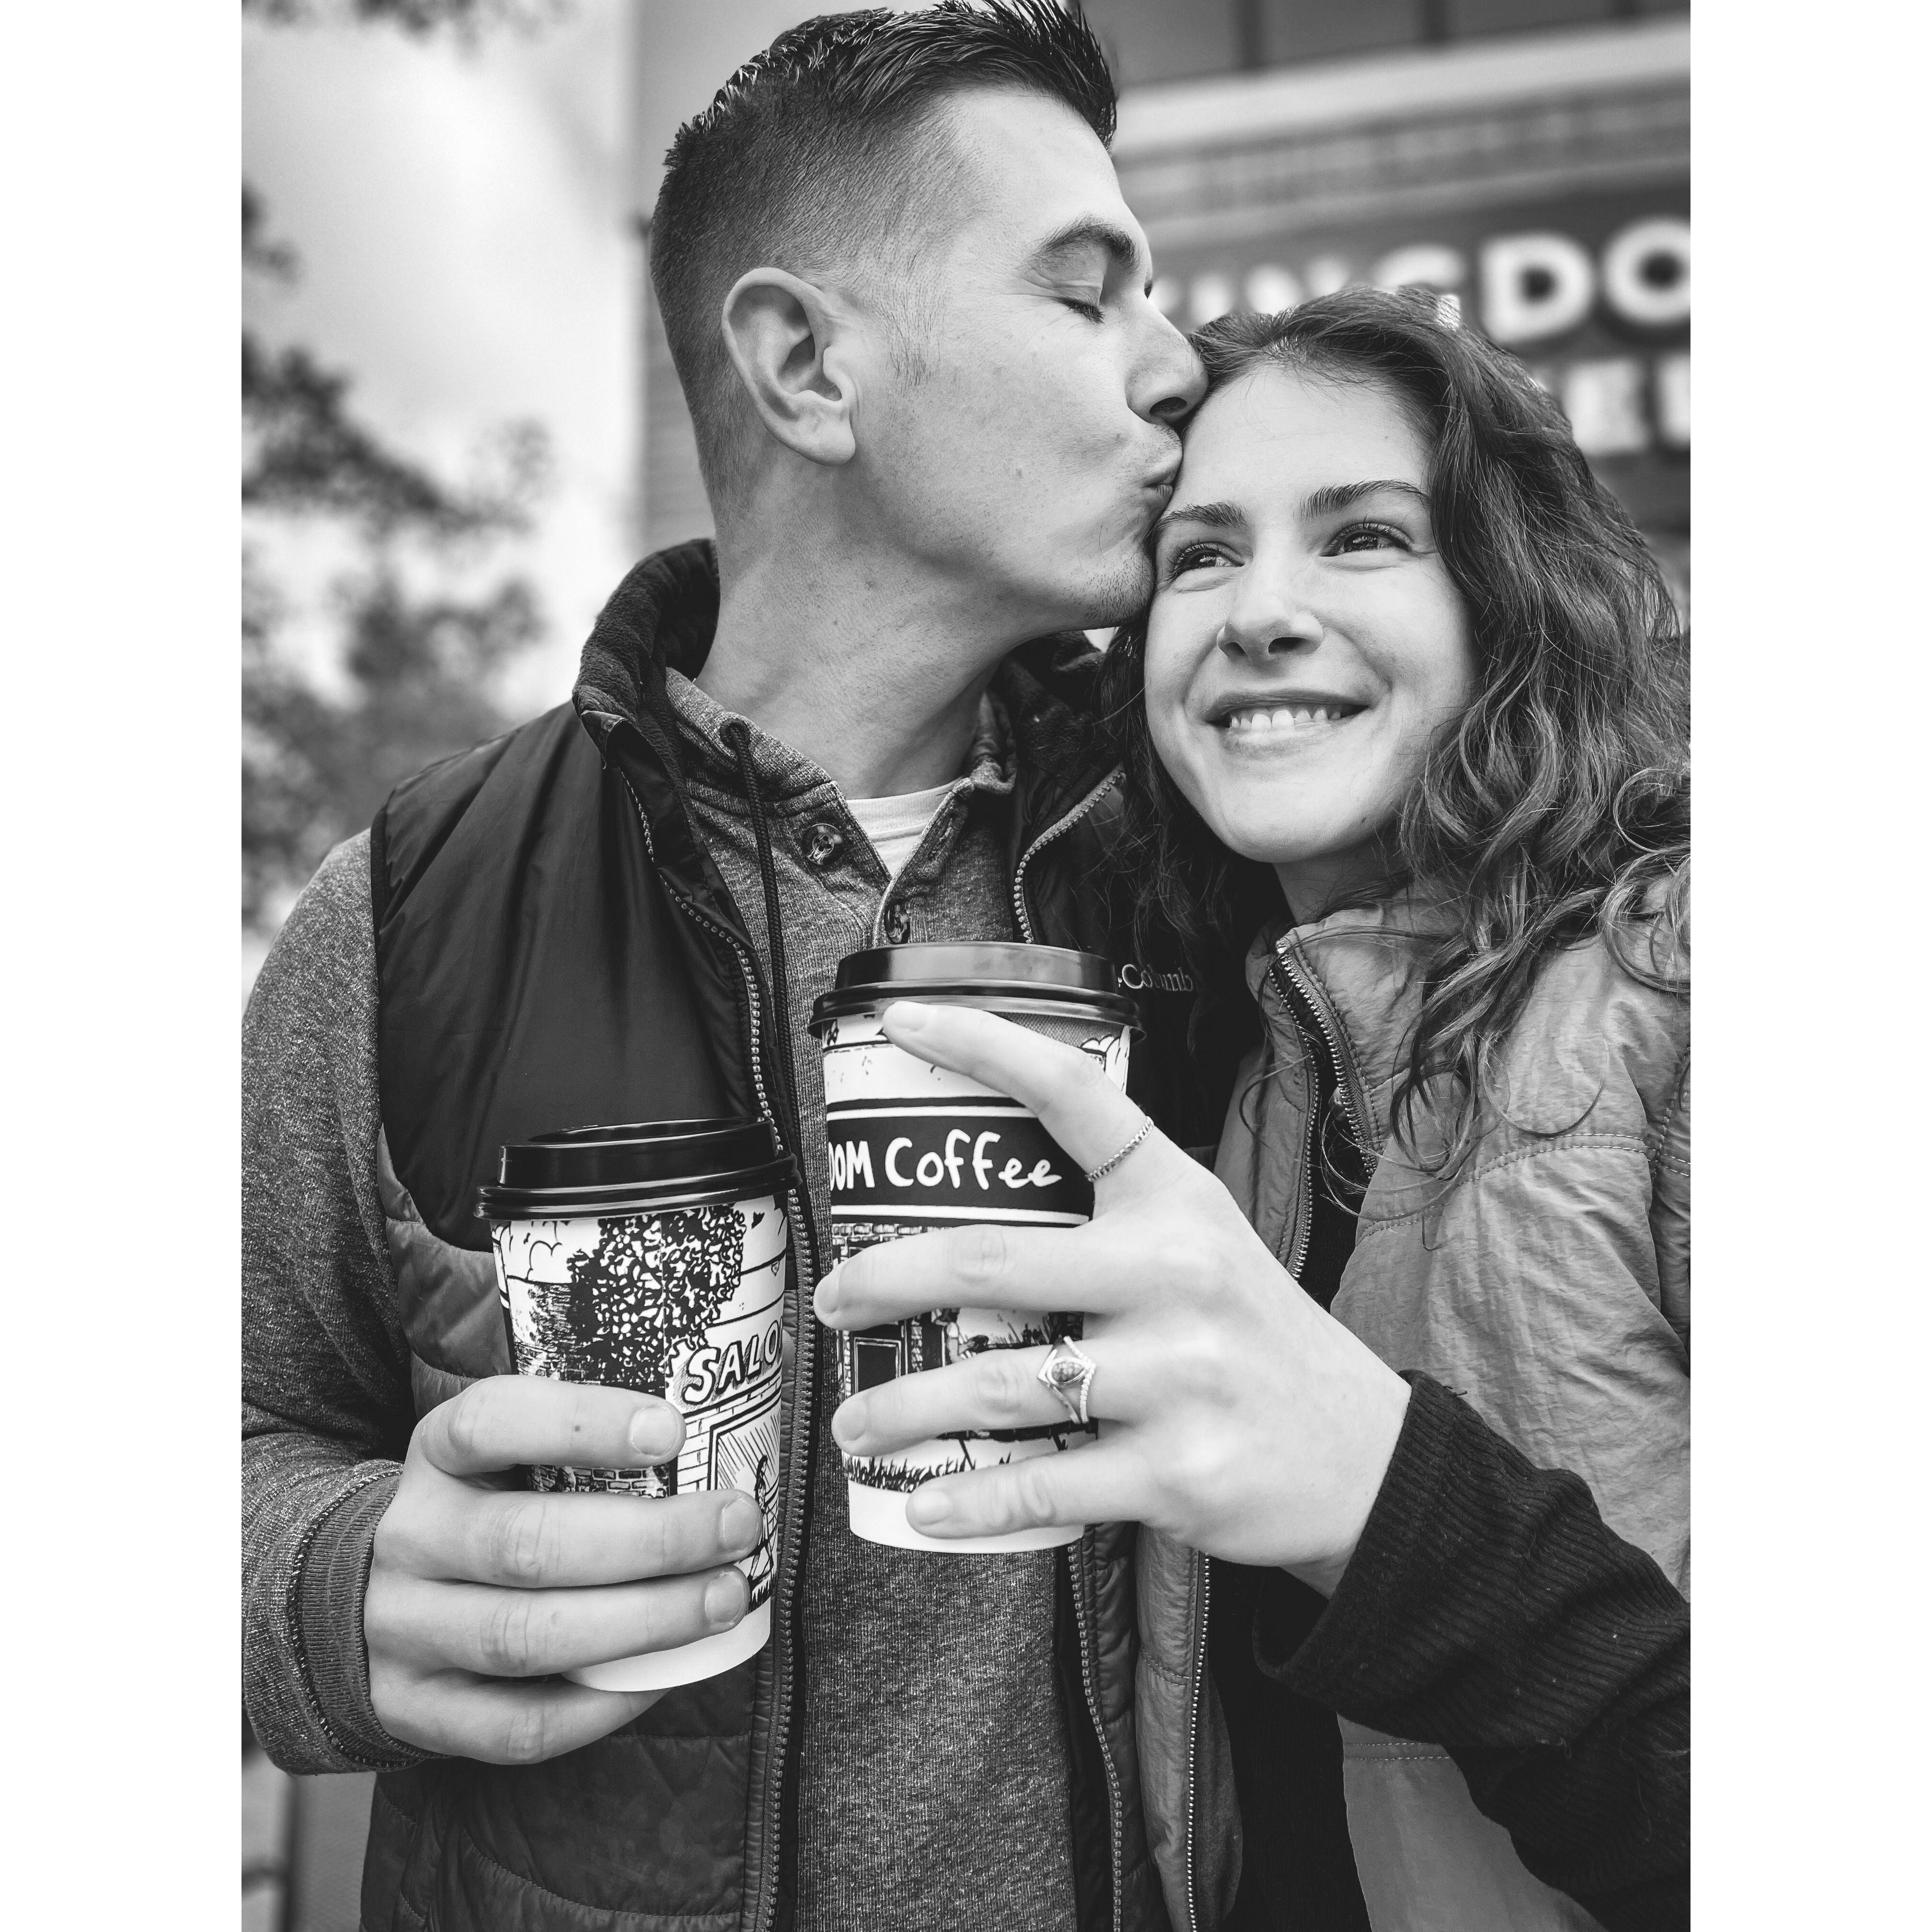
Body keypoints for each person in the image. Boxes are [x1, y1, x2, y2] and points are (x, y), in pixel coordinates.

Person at [242, 7, 1684, 1928]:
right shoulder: (416, 906)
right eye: (1088, 295)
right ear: (806, 365)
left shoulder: (1242, 875)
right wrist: (331, 1587)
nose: (1176, 365)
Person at [815, 291, 1688, 1932]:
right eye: (1201, 556)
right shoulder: (1227, 1062)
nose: (1262, 613)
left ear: (1509, 598)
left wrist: (1388, 1506)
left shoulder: (1695, 983)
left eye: (1363, 537)